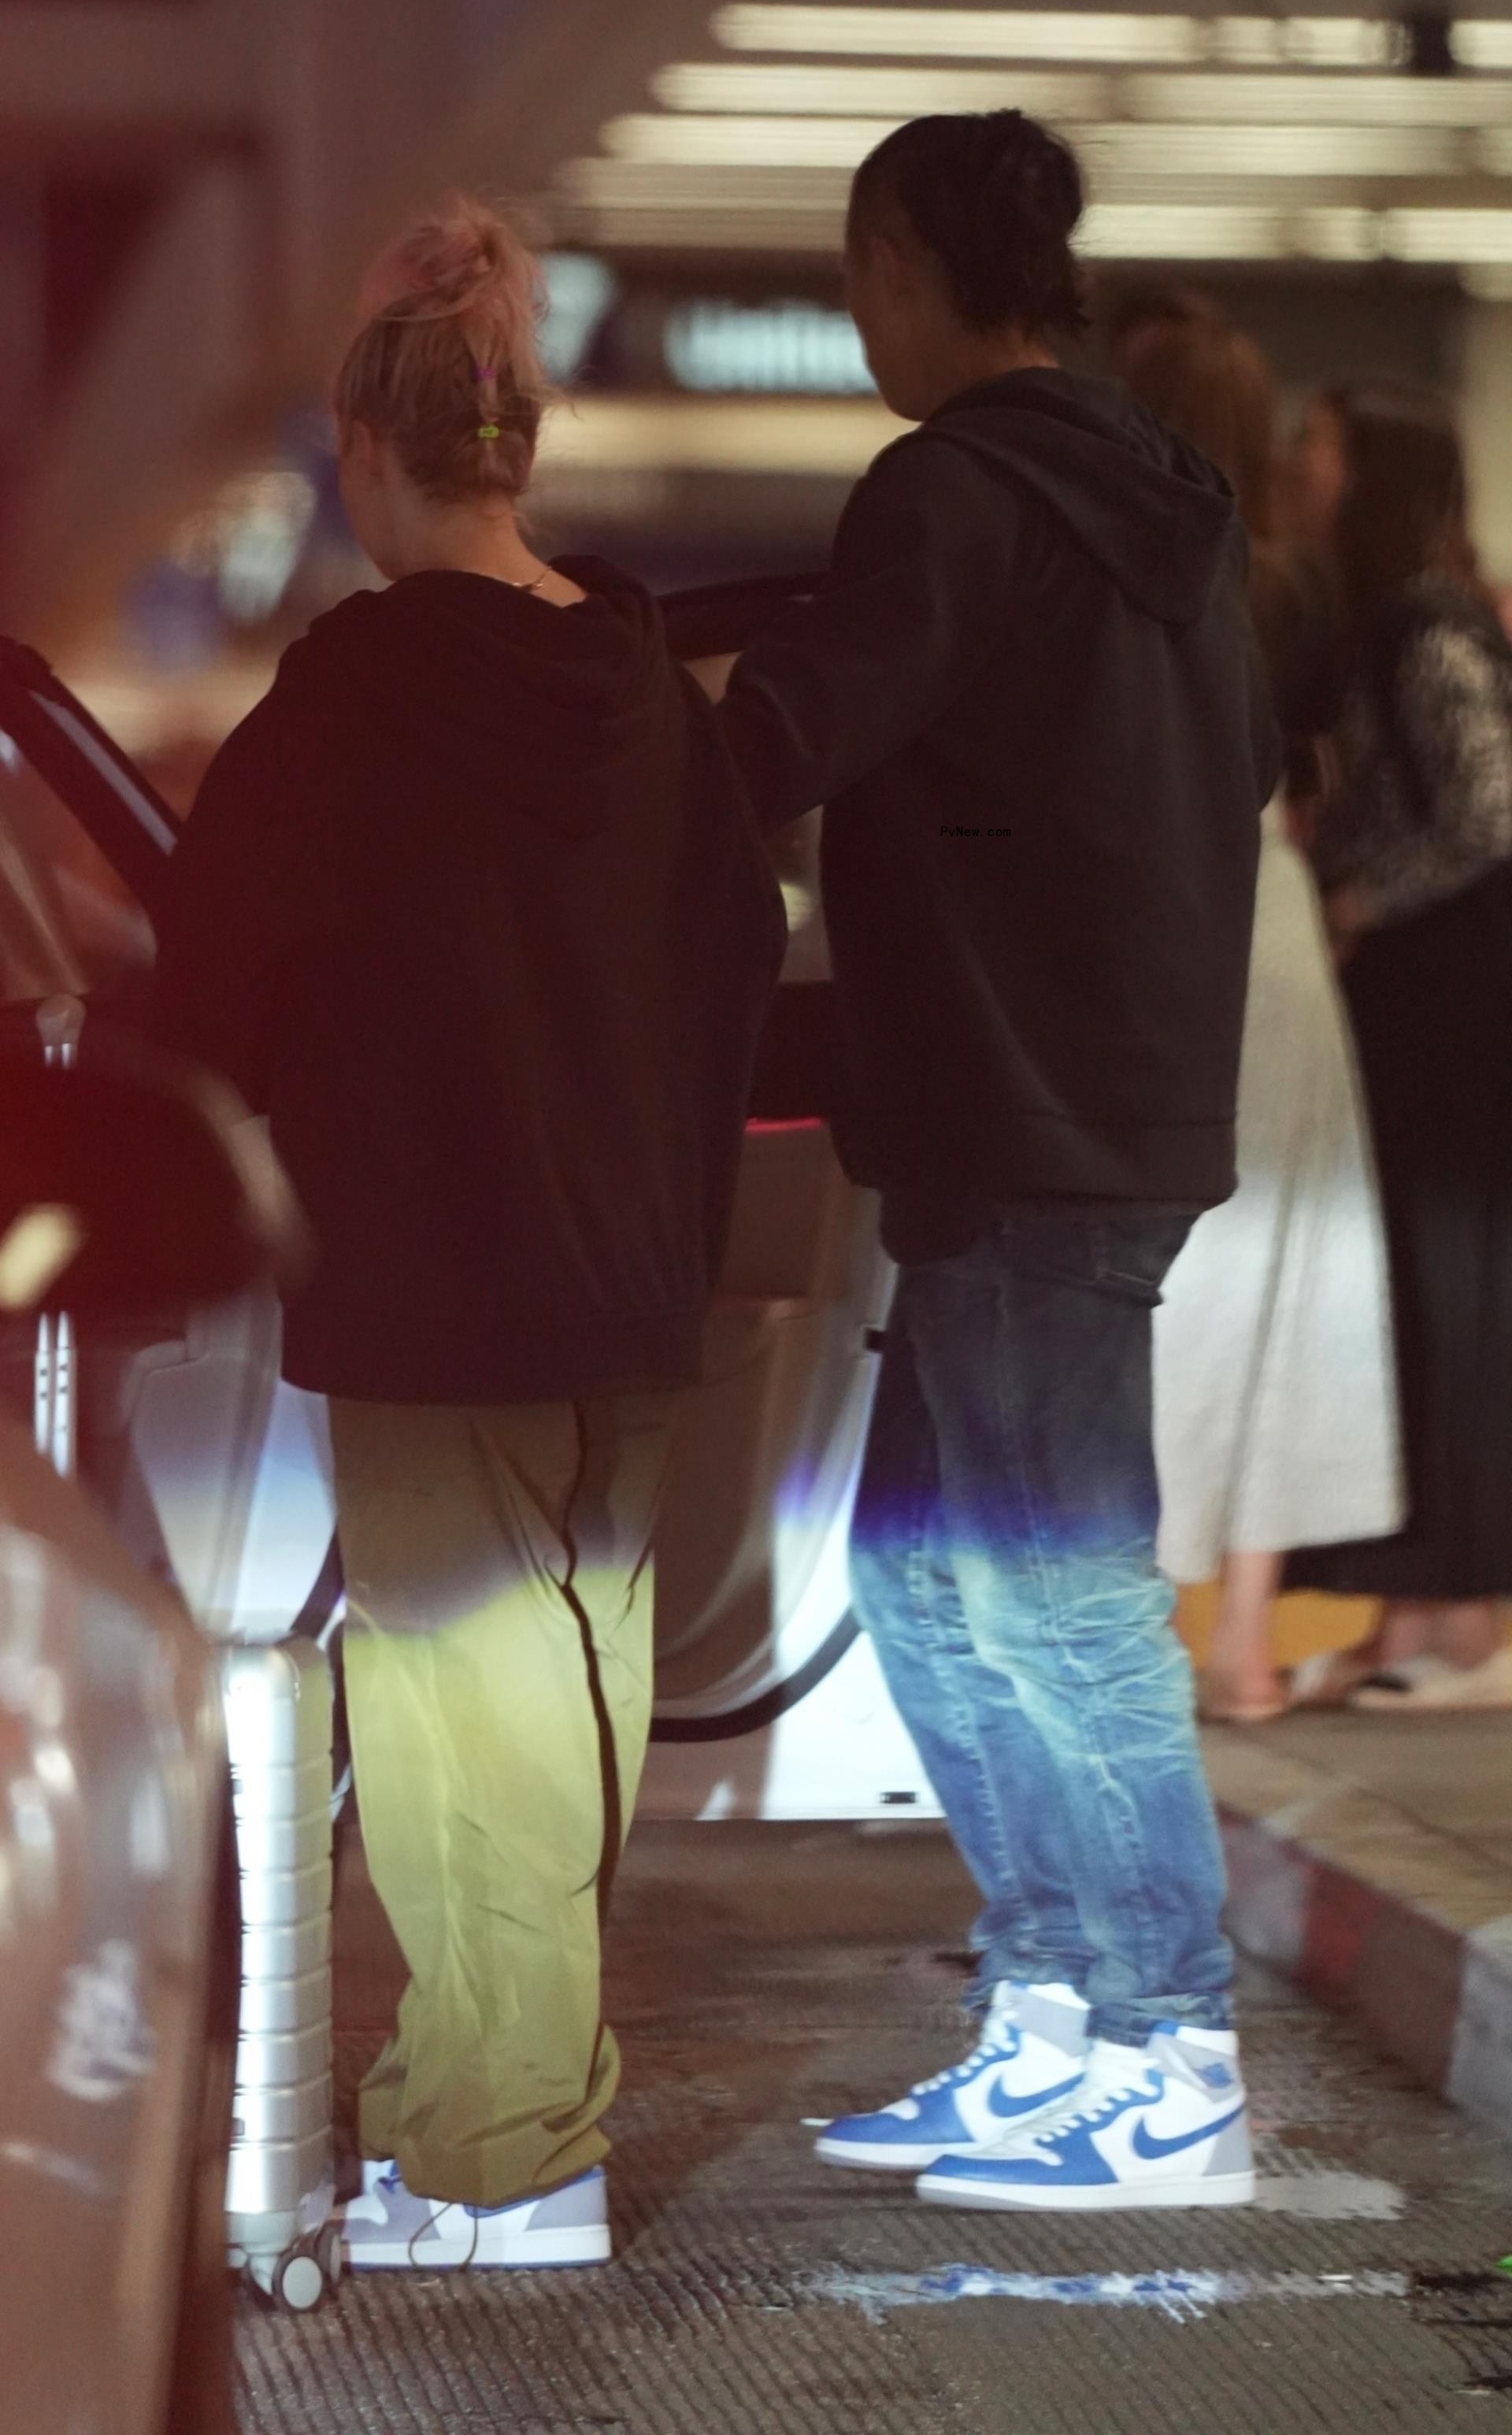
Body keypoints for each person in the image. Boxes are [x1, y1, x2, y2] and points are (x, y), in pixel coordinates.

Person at [151, 196, 787, 2266]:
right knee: (573, 1698)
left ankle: (510, 2157)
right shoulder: (648, 695)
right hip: (624, 1271)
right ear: (521, 443)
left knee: (461, 1723)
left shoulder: (348, 704)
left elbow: (205, 989)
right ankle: (501, 2101)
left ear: (368, 450)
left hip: (431, 1275)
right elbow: (734, 966)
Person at [703, 109, 1277, 2212]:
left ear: (927, 271)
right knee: (924, 1574)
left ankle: (1172, 2054)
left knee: (1050, 1589)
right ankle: (1051, 2018)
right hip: (1077, 1102)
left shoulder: (948, 494)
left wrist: (616, 732)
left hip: (1025, 1119)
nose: (863, 314)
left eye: (866, 270)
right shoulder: (1170, 495)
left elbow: (789, 735)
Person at [1114, 313, 1403, 1723]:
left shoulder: (1131, 573)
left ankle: (1137, 1615)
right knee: (1297, 1269)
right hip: (1282, 916)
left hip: (1174, 921)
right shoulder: (1291, 586)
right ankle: (1241, 1643)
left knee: (1164, 1268)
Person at [1282, 383, 1512, 1710]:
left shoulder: (1427, 626)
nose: (1299, 469)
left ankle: (1451, 1610)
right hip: (1429, 1014)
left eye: (1318, 448)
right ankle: (1416, 1604)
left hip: (1450, 1016)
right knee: (1423, 1295)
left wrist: (1356, 895)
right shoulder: (1397, 624)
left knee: (1444, 1290)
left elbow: (1488, 810)